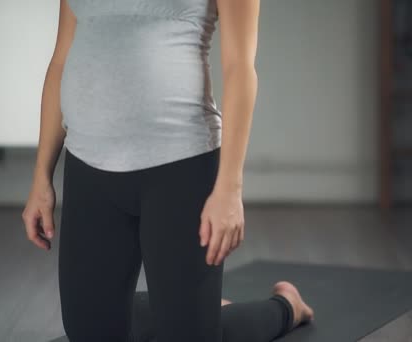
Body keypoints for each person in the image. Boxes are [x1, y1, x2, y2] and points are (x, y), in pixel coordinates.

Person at [21, 0, 314, 341]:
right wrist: (41, 175)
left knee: (187, 335)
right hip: (89, 169)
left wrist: (229, 189)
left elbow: (239, 67)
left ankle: (286, 307)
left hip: (180, 169)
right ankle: (196, 306)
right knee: (88, 332)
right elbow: (61, 59)